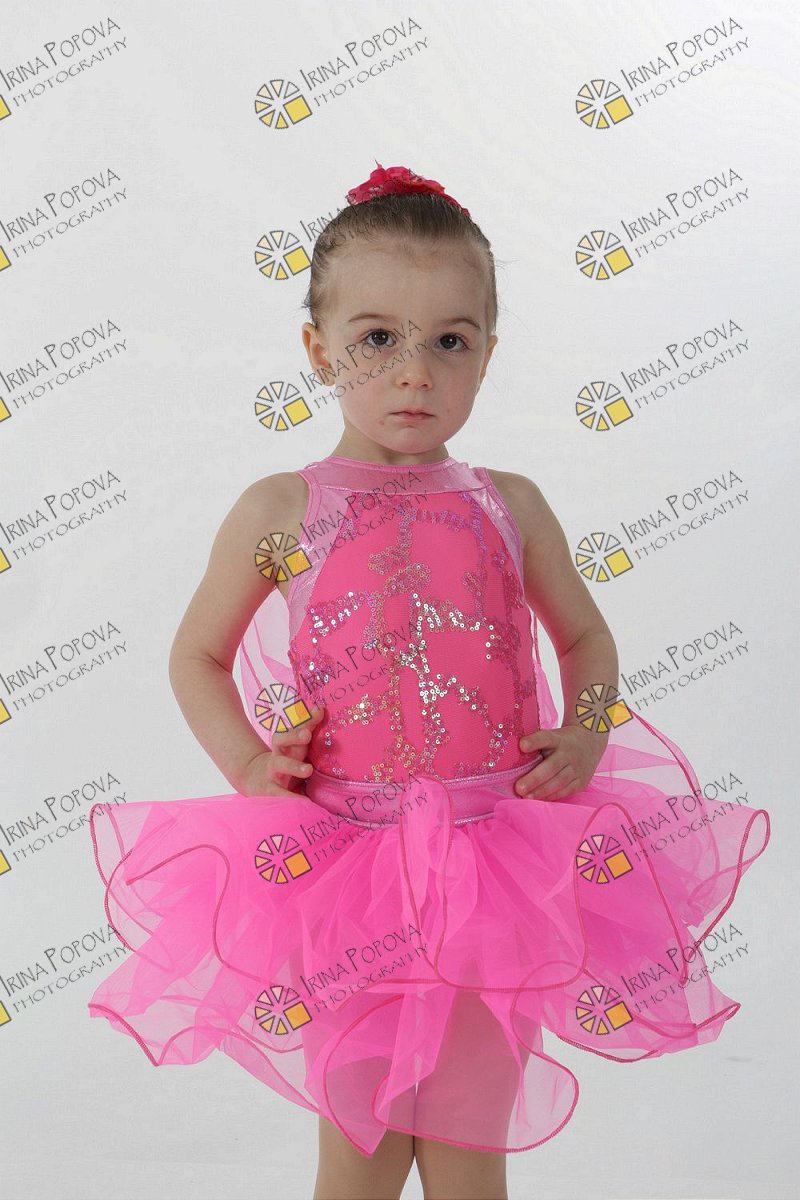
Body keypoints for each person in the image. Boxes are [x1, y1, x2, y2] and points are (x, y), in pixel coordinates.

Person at [87, 162, 771, 1200]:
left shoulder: (510, 504)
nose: (414, 374)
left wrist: (586, 731)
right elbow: (197, 655)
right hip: (341, 868)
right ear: (318, 350)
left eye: (449, 341)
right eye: (376, 339)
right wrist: (248, 765)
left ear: (487, 354)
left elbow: (586, 639)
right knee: (360, 1148)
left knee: (465, 1144)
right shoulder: (282, 509)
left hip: (497, 862)